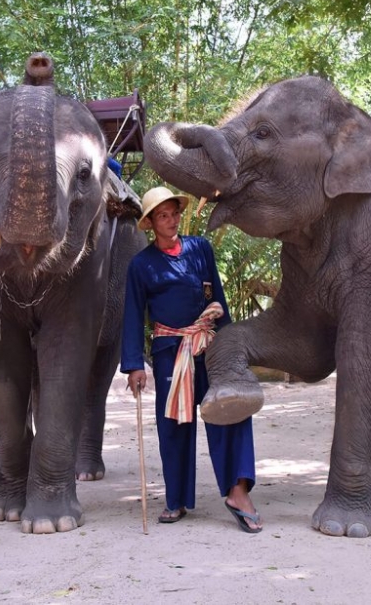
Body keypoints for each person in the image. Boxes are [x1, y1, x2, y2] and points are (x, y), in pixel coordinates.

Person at [121, 186, 262, 533]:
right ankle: (176, 499)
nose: (171, 221)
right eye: (163, 216)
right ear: (152, 222)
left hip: (210, 347)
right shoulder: (141, 266)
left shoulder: (200, 250)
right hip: (170, 352)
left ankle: (238, 491)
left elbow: (219, 297)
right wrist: (134, 364)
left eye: (174, 214)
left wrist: (231, 347)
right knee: (174, 424)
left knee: (231, 409)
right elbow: (132, 314)